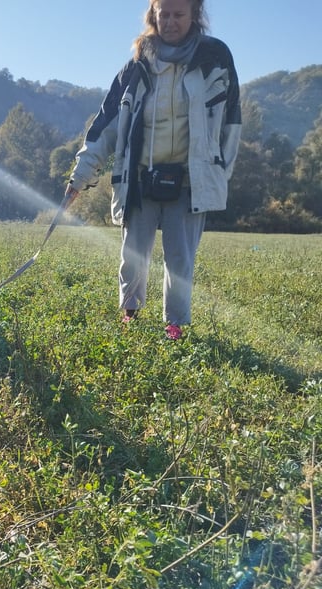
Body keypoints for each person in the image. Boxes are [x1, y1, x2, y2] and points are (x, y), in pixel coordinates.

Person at [64, 0, 241, 340]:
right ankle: (130, 313)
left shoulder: (215, 59)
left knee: (180, 260)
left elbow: (231, 123)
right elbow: (105, 127)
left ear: (195, 16)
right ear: (153, 15)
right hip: (140, 178)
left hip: (190, 179)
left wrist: (220, 172)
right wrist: (80, 177)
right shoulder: (135, 66)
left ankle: (174, 326)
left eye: (179, 15)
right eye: (164, 14)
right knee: (133, 254)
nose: (171, 22)